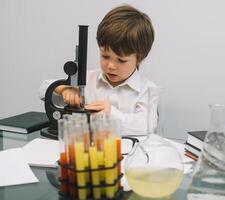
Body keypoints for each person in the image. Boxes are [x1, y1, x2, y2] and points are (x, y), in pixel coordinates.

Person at [39, 5, 158, 135]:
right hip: (84, 150)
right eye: (105, 56)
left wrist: (111, 114)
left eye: (121, 60)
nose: (111, 66)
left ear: (140, 58)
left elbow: (147, 125)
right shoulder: (86, 79)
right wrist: (64, 90)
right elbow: (43, 89)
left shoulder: (148, 90)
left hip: (126, 152)